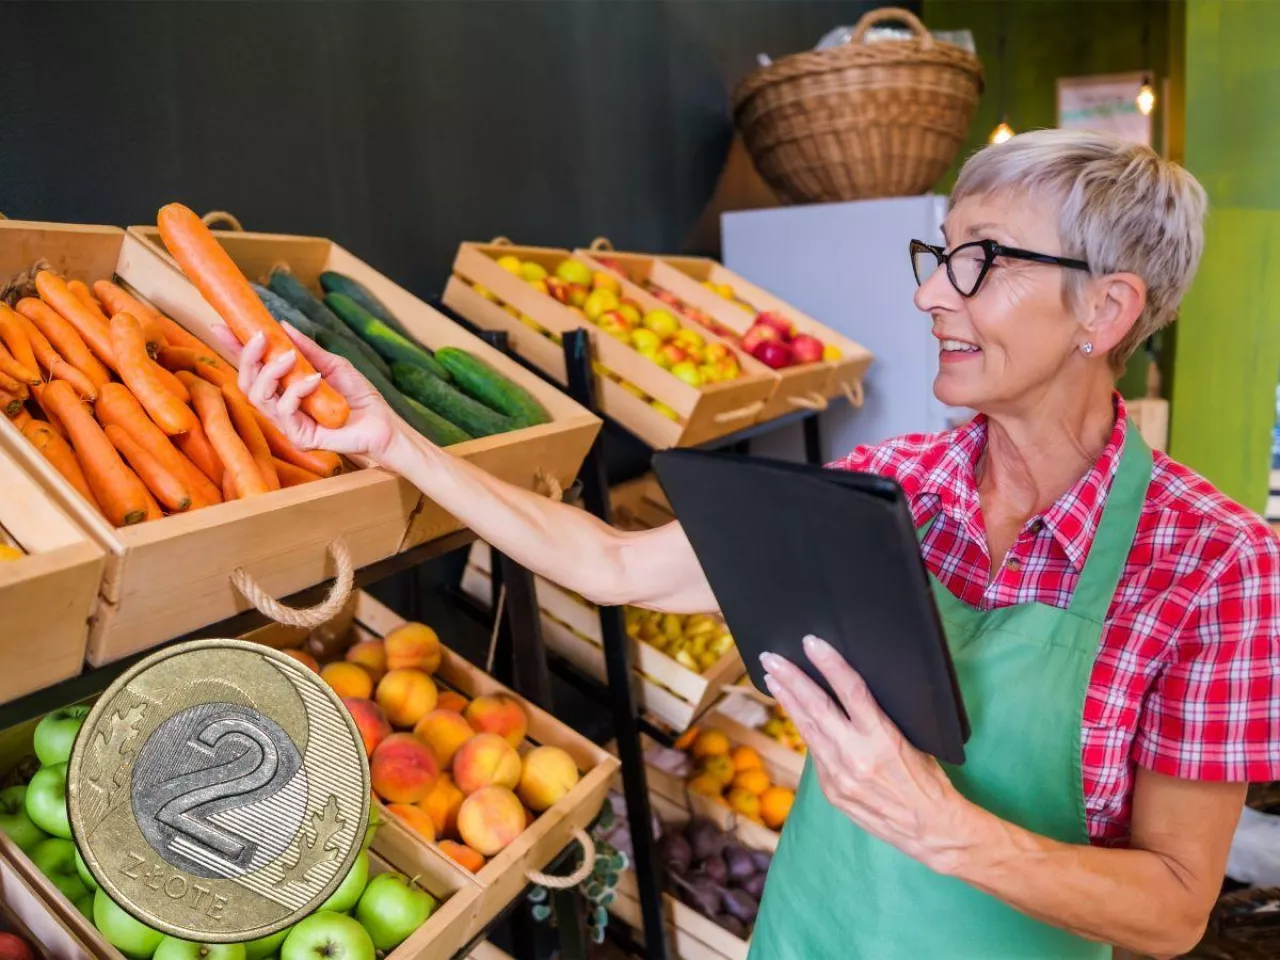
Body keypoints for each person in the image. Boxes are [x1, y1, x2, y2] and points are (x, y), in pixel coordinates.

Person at [221, 129, 1280, 959]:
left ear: (1102, 308)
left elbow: (1175, 905)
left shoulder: (1211, 563)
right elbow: (613, 563)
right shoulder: (894, 484)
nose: (927, 293)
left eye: (978, 264)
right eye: (937, 255)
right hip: (807, 937)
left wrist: (940, 825)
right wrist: (394, 440)